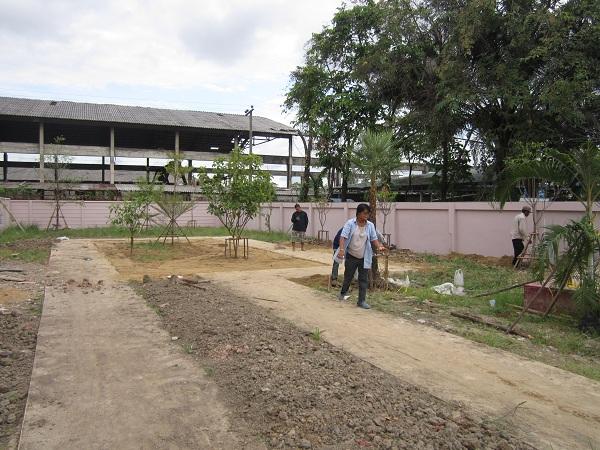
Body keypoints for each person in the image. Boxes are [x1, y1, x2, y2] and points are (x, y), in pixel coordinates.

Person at [337, 203, 386, 309]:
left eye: (368, 214)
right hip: (351, 256)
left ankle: (361, 301)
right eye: (364, 213)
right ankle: (342, 293)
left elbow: (373, 238)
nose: (366, 216)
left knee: (363, 279)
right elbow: (343, 237)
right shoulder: (350, 224)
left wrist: (379, 246)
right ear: (358, 213)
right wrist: (341, 249)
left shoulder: (370, 225)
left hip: (364, 256)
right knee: (348, 277)